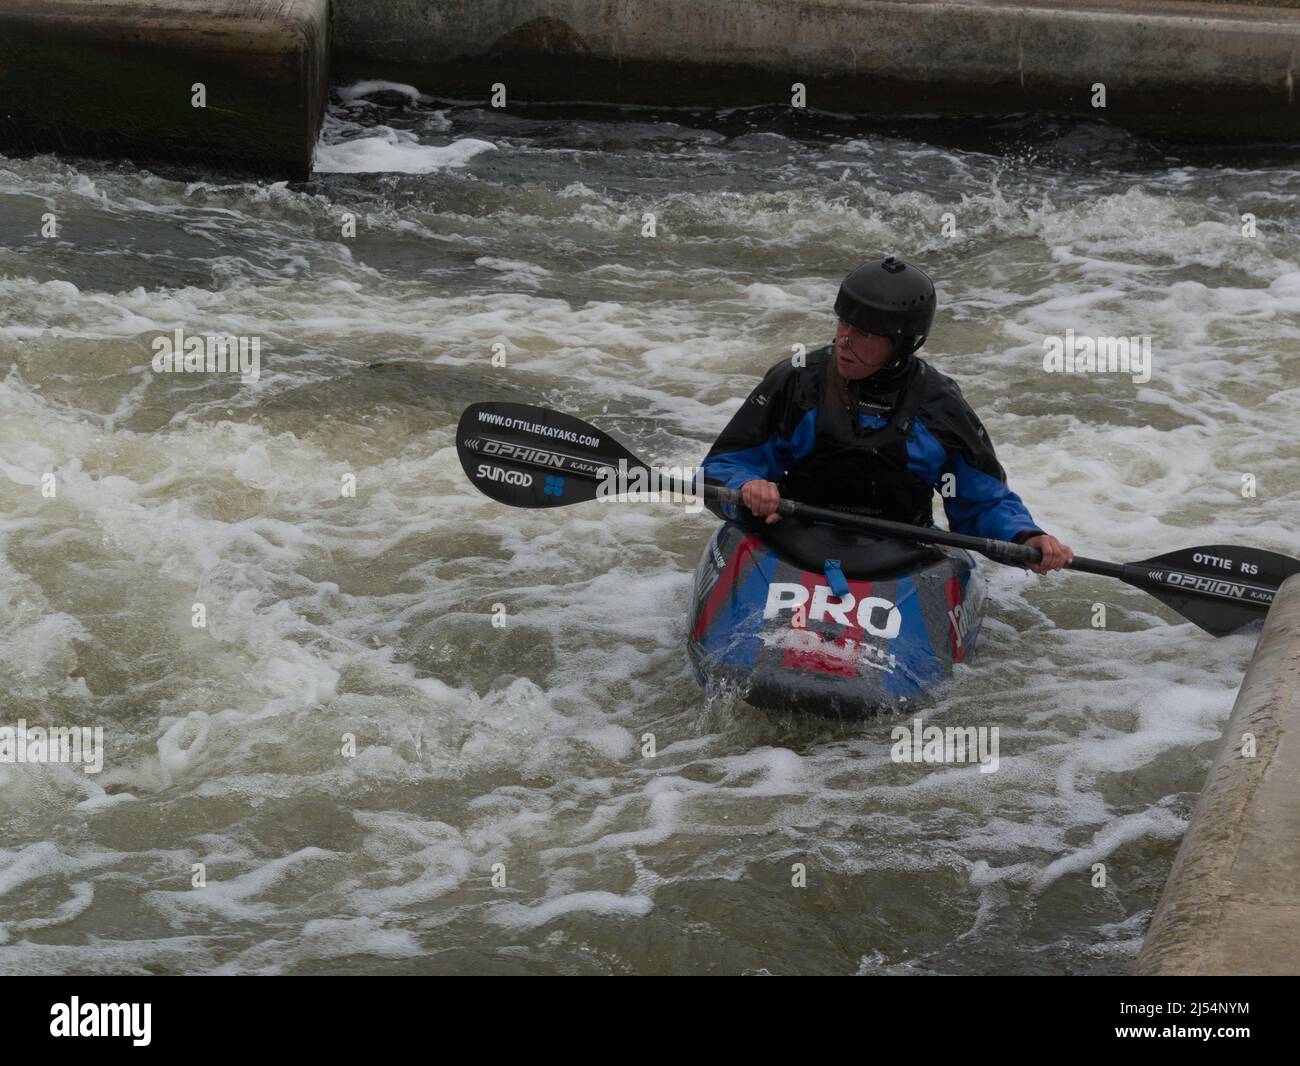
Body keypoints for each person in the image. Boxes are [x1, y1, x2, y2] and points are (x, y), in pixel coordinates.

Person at [701, 256, 1073, 574]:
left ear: (901, 342)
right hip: (790, 539)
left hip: (901, 555)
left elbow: (981, 502)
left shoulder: (940, 406)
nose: (843, 342)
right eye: (842, 323)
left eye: (863, 333)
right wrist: (747, 486)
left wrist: (1025, 537)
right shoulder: (798, 381)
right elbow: (726, 465)